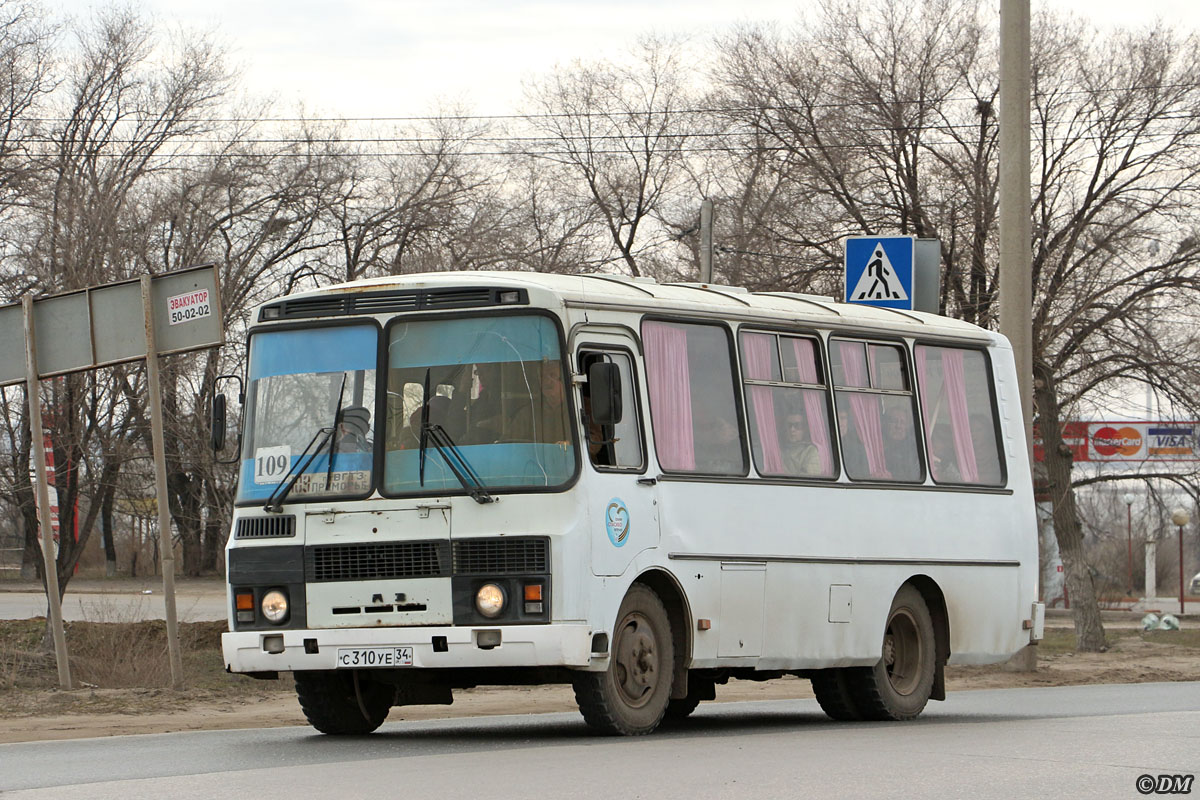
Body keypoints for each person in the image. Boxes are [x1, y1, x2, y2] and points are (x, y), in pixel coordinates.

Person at [882, 405, 920, 481]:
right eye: (893, 421)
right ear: (885, 424)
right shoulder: (877, 444)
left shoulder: (914, 448)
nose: (898, 426)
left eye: (902, 422)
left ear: (907, 427)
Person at [781, 410, 823, 477]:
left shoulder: (811, 451)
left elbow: (808, 480)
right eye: (789, 425)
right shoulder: (780, 450)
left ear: (805, 428)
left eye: (797, 425)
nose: (792, 429)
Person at [837, 406, 869, 478]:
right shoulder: (825, 443)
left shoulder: (857, 443)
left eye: (843, 418)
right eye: (836, 418)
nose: (839, 422)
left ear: (848, 421)